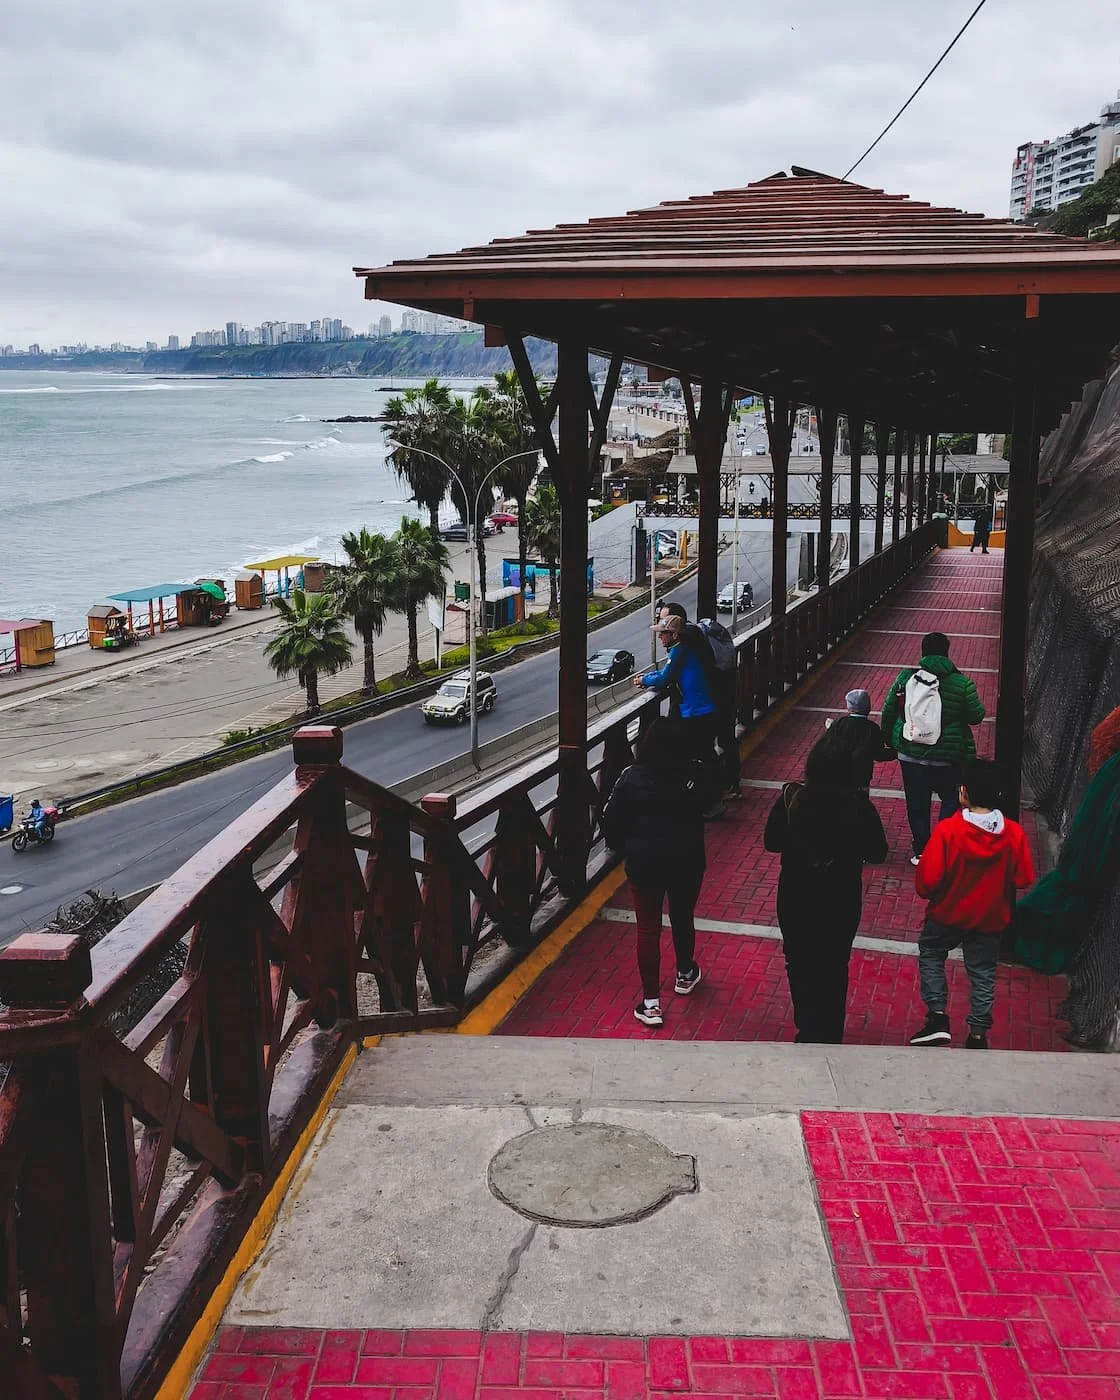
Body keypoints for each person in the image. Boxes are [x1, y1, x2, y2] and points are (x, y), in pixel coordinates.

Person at [763, 744, 888, 1043]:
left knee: (798, 961)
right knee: (835, 965)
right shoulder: (859, 806)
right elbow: (878, 852)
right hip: (840, 897)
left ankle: (807, 1027)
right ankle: (831, 1031)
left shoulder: (792, 800)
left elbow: (772, 842)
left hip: (796, 896)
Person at [909, 759, 1034, 1049]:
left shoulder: (948, 831)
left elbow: (927, 882)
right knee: (983, 972)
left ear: (963, 792)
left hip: (947, 913)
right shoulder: (1013, 834)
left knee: (931, 951)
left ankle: (938, 1017)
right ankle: (978, 1033)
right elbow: (1023, 877)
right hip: (990, 917)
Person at [601, 718, 706, 1028]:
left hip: (645, 863)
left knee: (648, 928)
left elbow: (609, 822)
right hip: (687, 860)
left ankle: (651, 1004)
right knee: (682, 916)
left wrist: (628, 845)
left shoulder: (630, 778)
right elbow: (709, 802)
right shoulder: (693, 773)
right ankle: (685, 974)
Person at [881, 631, 985, 865]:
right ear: (947, 653)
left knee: (916, 802)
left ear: (923, 652)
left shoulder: (905, 678)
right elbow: (977, 716)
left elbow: (889, 711)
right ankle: (944, 845)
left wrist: (889, 738)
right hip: (947, 757)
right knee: (952, 797)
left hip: (910, 753)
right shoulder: (962, 683)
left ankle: (921, 851)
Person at [634, 612, 721, 814]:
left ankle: (707, 801)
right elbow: (668, 673)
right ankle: (712, 799)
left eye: (663, 633)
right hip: (702, 710)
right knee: (704, 754)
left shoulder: (679, 650)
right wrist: (648, 677)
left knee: (695, 756)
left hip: (696, 713)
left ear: (673, 635)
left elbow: (666, 677)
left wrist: (644, 680)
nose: (660, 637)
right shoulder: (683, 649)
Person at [818, 689, 894, 792]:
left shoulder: (839, 723)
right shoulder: (872, 728)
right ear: (868, 708)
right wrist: (896, 752)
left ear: (850, 709)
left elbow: (827, 746)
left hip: (839, 775)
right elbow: (879, 755)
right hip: (861, 778)